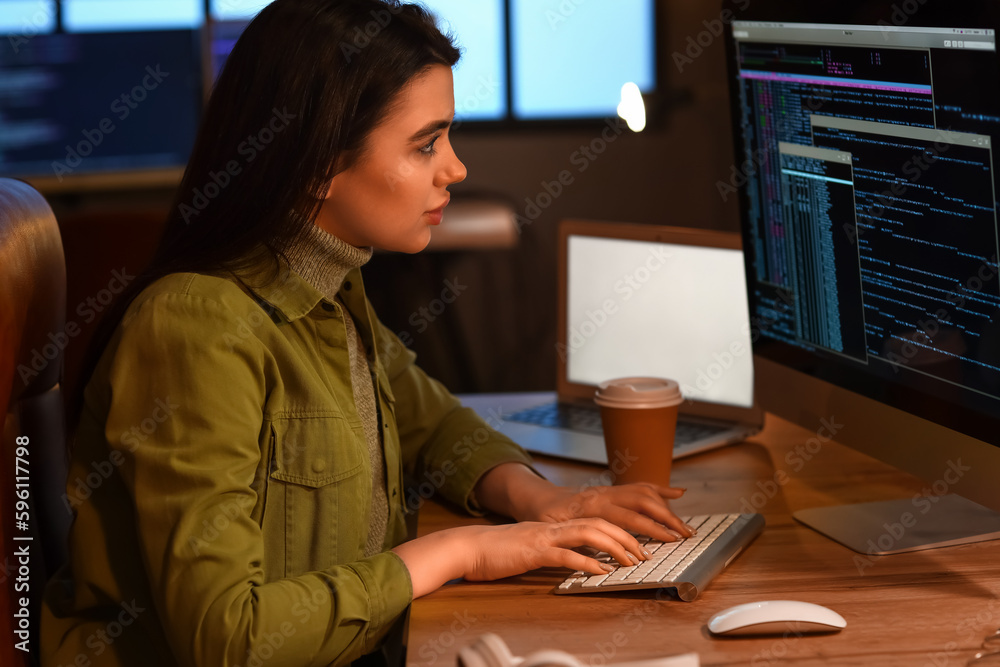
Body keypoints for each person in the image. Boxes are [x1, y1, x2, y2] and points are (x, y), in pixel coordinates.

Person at [40, 1, 694, 665]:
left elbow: (431, 421)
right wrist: (460, 551)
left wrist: (544, 500)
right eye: (426, 143)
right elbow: (227, 637)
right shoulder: (195, 327)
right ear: (320, 160)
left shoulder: (329, 283)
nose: (456, 169)